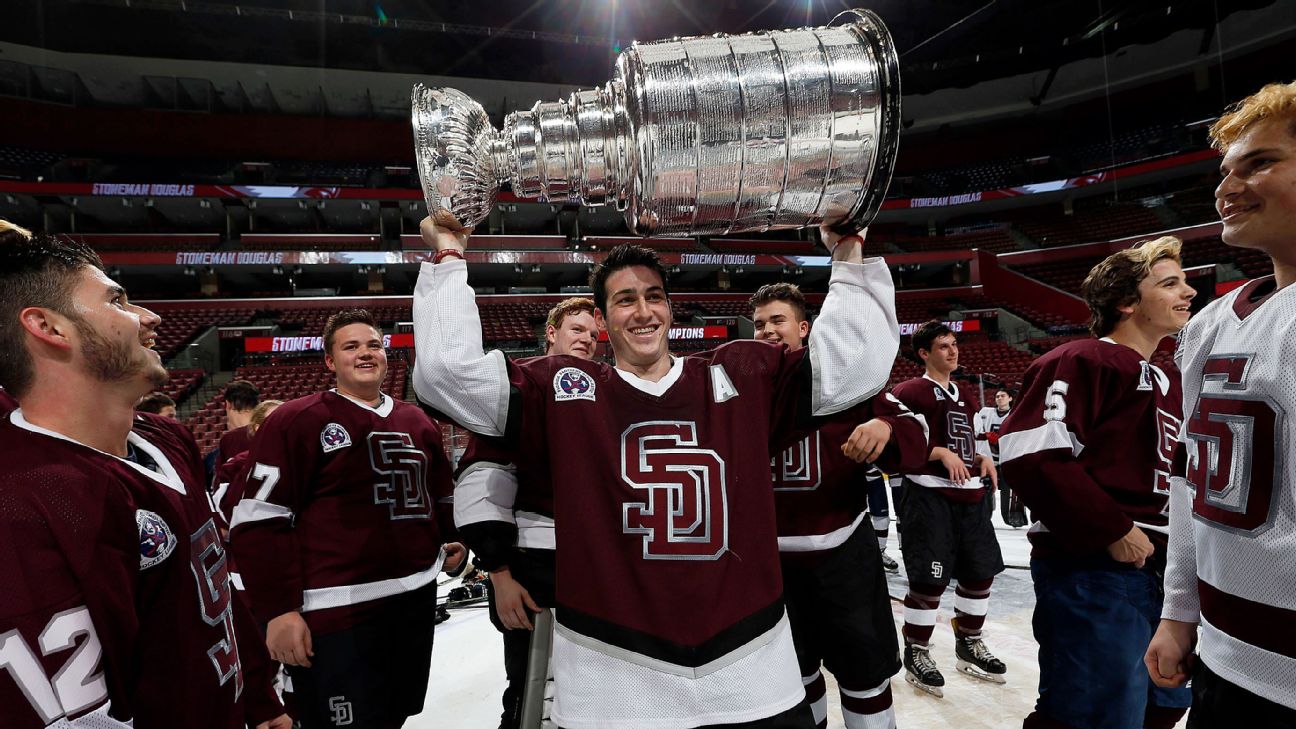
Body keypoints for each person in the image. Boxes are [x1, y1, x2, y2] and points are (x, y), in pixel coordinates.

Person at [413, 216, 898, 729]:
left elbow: (855, 363)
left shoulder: (741, 372)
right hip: (614, 675)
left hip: (751, 666)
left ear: (669, 307)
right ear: (603, 318)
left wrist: (848, 250)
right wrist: (448, 253)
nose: (643, 311)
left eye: (654, 296)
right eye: (625, 300)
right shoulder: (562, 389)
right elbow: (448, 375)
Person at [0, 230, 288, 729]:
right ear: (48, 326)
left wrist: (259, 698)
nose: (151, 318)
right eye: (118, 300)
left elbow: (212, 589)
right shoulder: (24, 504)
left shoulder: (165, 436)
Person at [229, 309, 466, 729]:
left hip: (414, 600)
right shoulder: (295, 420)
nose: (364, 353)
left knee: (394, 715)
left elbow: (441, 495)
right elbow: (258, 521)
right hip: (336, 615)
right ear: (329, 361)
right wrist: (279, 610)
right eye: (350, 346)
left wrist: (453, 541)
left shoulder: (418, 421)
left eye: (373, 345)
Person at [1145, 80, 1296, 727]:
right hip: (1225, 657)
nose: (1227, 187)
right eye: (1225, 170)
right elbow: (1189, 477)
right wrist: (1179, 609)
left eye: (1260, 162)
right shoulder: (1209, 325)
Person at [999, 237, 1196, 729]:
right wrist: (1109, 528)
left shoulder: (1168, 376)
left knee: (1161, 706)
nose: (1189, 292)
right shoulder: (1083, 358)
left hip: (1159, 571)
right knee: (1093, 713)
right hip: (1091, 568)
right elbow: (1032, 454)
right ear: (1126, 302)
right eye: (1169, 283)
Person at [752, 282, 928, 729]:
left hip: (845, 559)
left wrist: (886, 427)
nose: (768, 331)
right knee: (795, 678)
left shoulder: (852, 381)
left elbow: (918, 434)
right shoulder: (743, 391)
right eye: (759, 324)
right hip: (770, 567)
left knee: (865, 676)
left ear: (805, 329)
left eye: (778, 321)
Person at [454, 297, 599, 729]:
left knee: (594, 688)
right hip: (535, 564)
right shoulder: (521, 387)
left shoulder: (607, 387)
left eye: (594, 334)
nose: (588, 340)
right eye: (577, 330)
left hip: (596, 566)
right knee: (532, 688)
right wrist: (498, 573)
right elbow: (483, 481)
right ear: (551, 332)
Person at [890, 320, 1005, 698]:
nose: (953, 351)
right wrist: (936, 451)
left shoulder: (966, 393)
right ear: (923, 353)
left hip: (970, 493)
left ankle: (969, 642)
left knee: (980, 573)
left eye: (954, 344)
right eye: (943, 346)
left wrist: (984, 457)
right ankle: (917, 650)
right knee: (929, 579)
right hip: (928, 495)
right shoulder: (908, 392)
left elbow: (969, 433)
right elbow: (893, 444)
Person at [976, 388, 1026, 526]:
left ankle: (1010, 515)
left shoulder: (1016, 414)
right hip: (988, 459)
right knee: (985, 487)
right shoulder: (985, 413)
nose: (999, 398)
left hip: (1006, 459)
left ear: (1010, 398)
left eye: (1002, 396)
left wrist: (999, 440)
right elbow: (977, 429)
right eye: (997, 396)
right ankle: (985, 514)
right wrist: (985, 436)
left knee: (1006, 488)